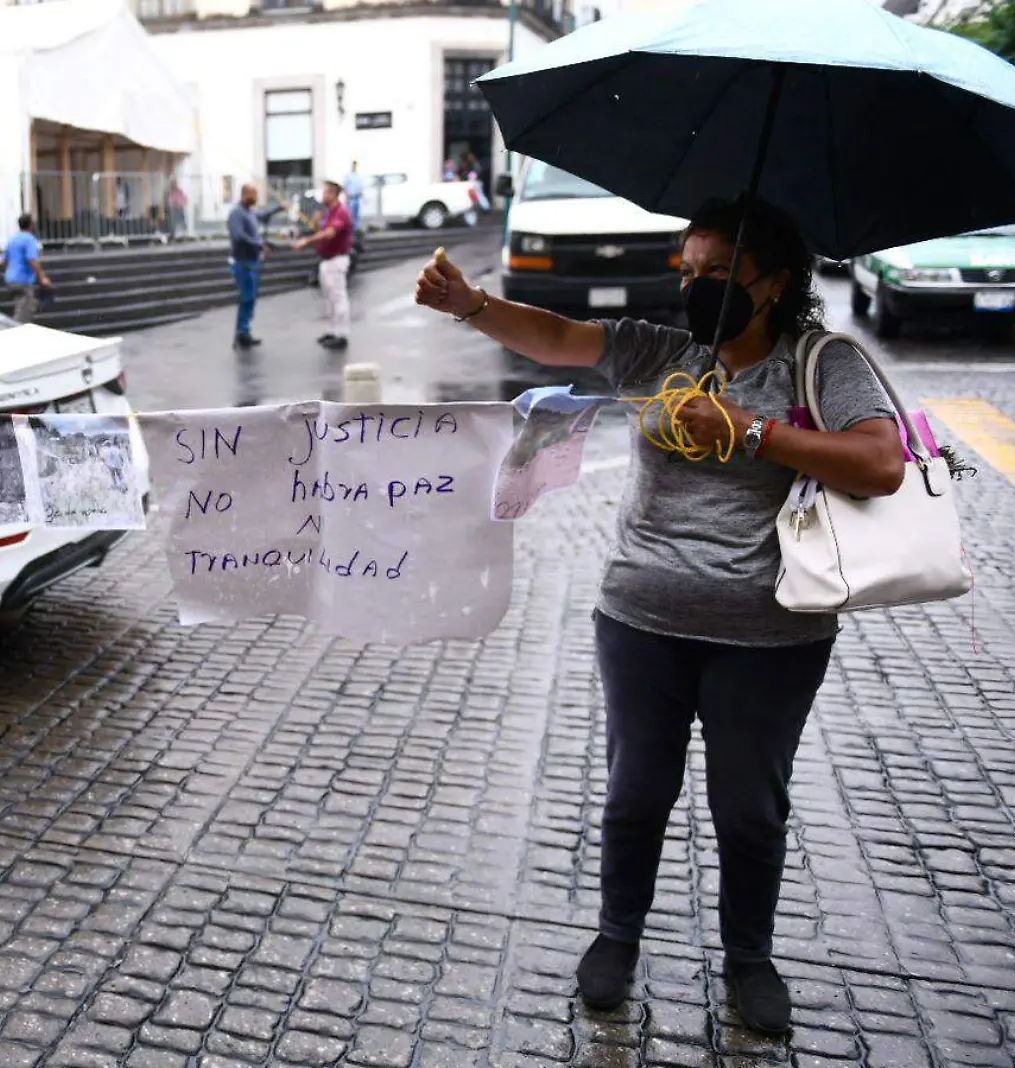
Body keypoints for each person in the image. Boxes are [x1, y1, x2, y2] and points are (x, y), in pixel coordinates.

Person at [414, 194, 904, 1035]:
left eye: (718, 271)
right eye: (688, 271)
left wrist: (749, 430)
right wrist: (474, 307)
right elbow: (562, 338)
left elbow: (881, 462)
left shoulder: (820, 363)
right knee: (635, 794)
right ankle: (617, 936)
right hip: (641, 618)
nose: (697, 286)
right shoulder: (660, 351)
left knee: (749, 806)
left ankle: (749, 957)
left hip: (771, 635)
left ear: (776, 279)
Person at [293, 180, 356, 350]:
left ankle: (341, 334)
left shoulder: (341, 212)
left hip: (336, 260)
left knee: (338, 297)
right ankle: (332, 330)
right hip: (326, 260)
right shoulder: (329, 212)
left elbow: (329, 233)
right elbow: (319, 230)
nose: (323, 196)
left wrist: (306, 241)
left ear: (334, 194)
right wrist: (315, 222)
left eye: (326, 192)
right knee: (329, 299)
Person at [226, 184, 282, 348]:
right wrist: (259, 244)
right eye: (254, 194)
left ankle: (245, 331)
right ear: (245, 195)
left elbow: (263, 215)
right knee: (246, 298)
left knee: (250, 299)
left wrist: (278, 208)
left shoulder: (249, 212)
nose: (257, 198)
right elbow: (238, 236)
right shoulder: (237, 213)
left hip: (252, 261)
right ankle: (240, 334)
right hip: (242, 262)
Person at [2, 214, 52, 324]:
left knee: (20, 306)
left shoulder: (12, 239)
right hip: (22, 281)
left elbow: (4, 260)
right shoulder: (29, 239)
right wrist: (42, 278)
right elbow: (32, 260)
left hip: (10, 279)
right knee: (25, 311)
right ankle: (17, 334)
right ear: (31, 225)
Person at [343, 161, 367, 225]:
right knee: (350, 215)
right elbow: (345, 187)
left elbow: (360, 188)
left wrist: (364, 198)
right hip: (351, 198)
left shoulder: (359, 176)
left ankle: (356, 230)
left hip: (357, 197)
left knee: (356, 215)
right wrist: (346, 198)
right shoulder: (348, 175)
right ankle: (350, 231)